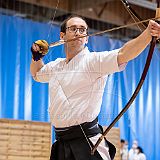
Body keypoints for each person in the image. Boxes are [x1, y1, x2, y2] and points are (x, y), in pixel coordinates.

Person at [30, 15, 160, 160]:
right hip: (61, 142)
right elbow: (37, 74)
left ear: (87, 38)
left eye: (82, 30)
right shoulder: (56, 66)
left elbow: (124, 53)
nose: (78, 32)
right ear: (62, 36)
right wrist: (36, 57)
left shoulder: (94, 61)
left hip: (87, 142)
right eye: (73, 29)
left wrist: (148, 34)